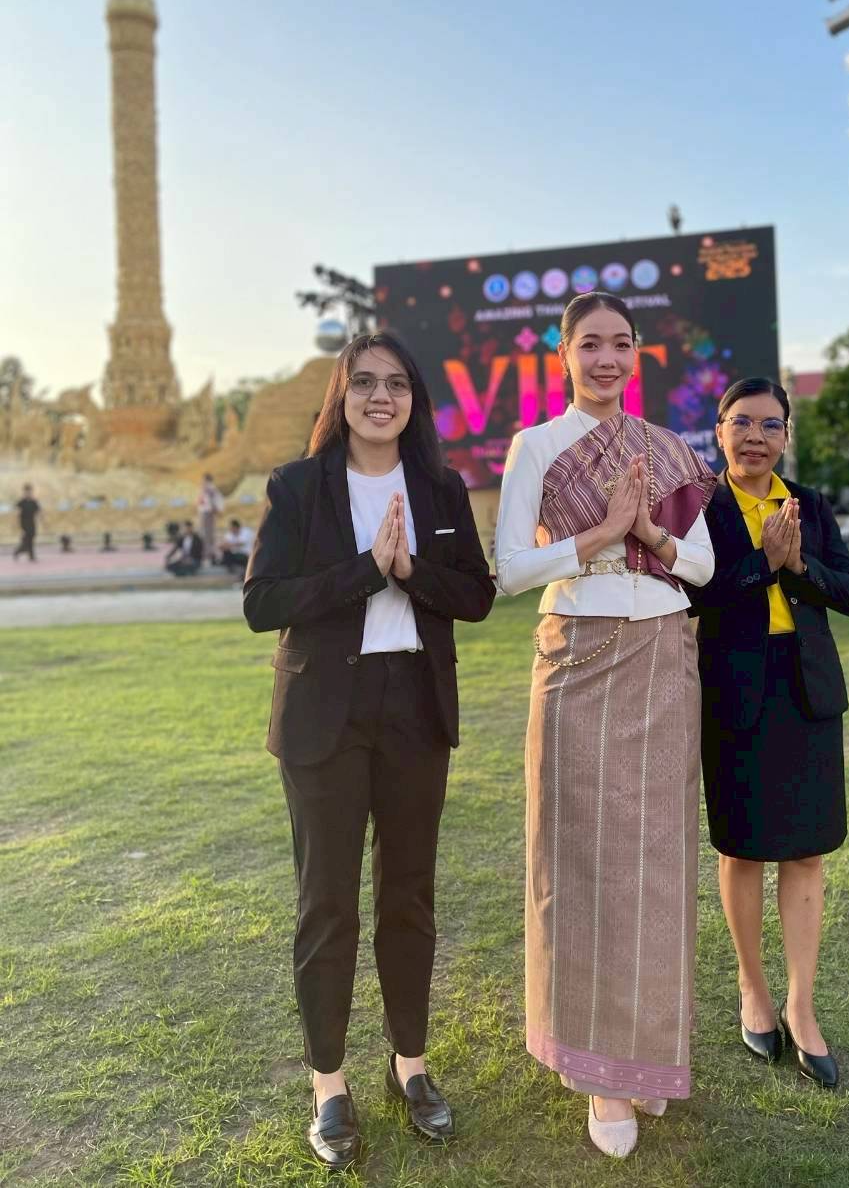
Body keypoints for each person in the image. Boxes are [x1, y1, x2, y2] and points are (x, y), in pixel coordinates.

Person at [243, 331, 495, 1169]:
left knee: (408, 895)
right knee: (327, 903)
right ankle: (329, 1084)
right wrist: (365, 569)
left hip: (414, 707)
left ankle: (410, 1065)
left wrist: (411, 570)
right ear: (341, 395)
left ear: (414, 399)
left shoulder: (440, 486)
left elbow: (477, 593)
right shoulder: (298, 485)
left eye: (396, 383)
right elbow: (261, 601)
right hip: (325, 712)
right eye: (364, 382)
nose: (380, 397)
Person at [495, 291, 716, 1159]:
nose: (607, 359)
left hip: (663, 653)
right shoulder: (536, 445)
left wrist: (651, 534)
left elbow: (702, 564)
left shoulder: (669, 448)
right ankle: (598, 1072)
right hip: (578, 653)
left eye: (621, 343)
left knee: (655, 864)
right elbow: (511, 568)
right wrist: (600, 534)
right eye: (590, 343)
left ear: (636, 352)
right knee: (582, 862)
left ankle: (645, 1053)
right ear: (563, 353)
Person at [691, 378, 849, 1091]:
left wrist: (796, 566)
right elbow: (693, 594)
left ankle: (801, 1004)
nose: (755, 436)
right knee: (741, 849)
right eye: (742, 422)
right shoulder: (700, 507)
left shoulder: (810, 506)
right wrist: (759, 565)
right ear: (719, 432)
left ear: (787, 436)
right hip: (735, 694)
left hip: (805, 691)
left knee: (806, 851)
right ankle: (752, 989)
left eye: (770, 424)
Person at [196, 473, 224, 565]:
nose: (202, 481)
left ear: (207, 480)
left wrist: (215, 510)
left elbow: (212, 501)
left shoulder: (209, 488)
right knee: (206, 535)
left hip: (207, 513)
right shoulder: (206, 489)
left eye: (203, 479)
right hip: (205, 513)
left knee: (207, 535)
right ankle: (208, 555)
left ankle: (208, 555)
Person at [13, 484, 41, 561]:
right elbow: (17, 511)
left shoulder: (33, 501)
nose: (28, 493)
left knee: (31, 538)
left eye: (30, 491)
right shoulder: (22, 502)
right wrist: (16, 523)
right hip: (24, 523)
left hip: (32, 522)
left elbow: (38, 511)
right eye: (27, 491)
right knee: (27, 539)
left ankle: (23, 552)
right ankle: (24, 552)